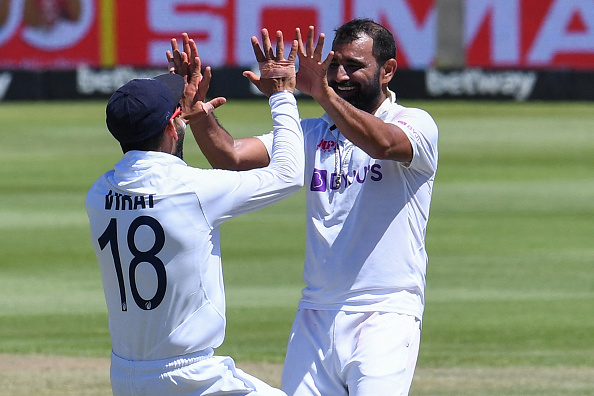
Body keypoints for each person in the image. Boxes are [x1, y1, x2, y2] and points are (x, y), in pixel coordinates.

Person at [172, 19, 438, 395]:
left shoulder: (415, 124)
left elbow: (383, 145)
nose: (341, 75)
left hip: (385, 312)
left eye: (354, 66)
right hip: (315, 313)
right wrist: (198, 112)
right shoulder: (313, 133)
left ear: (388, 70)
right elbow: (230, 156)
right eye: (334, 66)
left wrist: (321, 92)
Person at [86, 29, 303, 396]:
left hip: (126, 376)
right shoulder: (194, 191)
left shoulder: (99, 193)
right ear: (172, 126)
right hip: (191, 377)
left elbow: (166, 176)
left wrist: (184, 113)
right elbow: (288, 174)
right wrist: (282, 95)